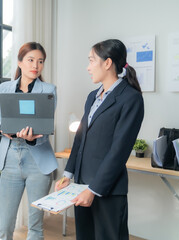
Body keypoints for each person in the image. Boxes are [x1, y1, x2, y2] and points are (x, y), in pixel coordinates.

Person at [55, 39, 144, 240]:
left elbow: (119, 151)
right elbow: (80, 138)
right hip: (81, 185)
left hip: (108, 189)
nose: (88, 67)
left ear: (107, 63)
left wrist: (94, 189)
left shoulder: (131, 98)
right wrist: (68, 174)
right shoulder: (92, 96)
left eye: (91, 61)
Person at [0, 42, 58, 240]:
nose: (35, 66)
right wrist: (4, 129)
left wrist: (31, 139)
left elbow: (46, 129)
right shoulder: (5, 88)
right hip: (10, 159)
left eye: (40, 61)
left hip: (38, 163)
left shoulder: (49, 90)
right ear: (20, 62)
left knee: (35, 227)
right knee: (4, 226)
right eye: (30, 60)